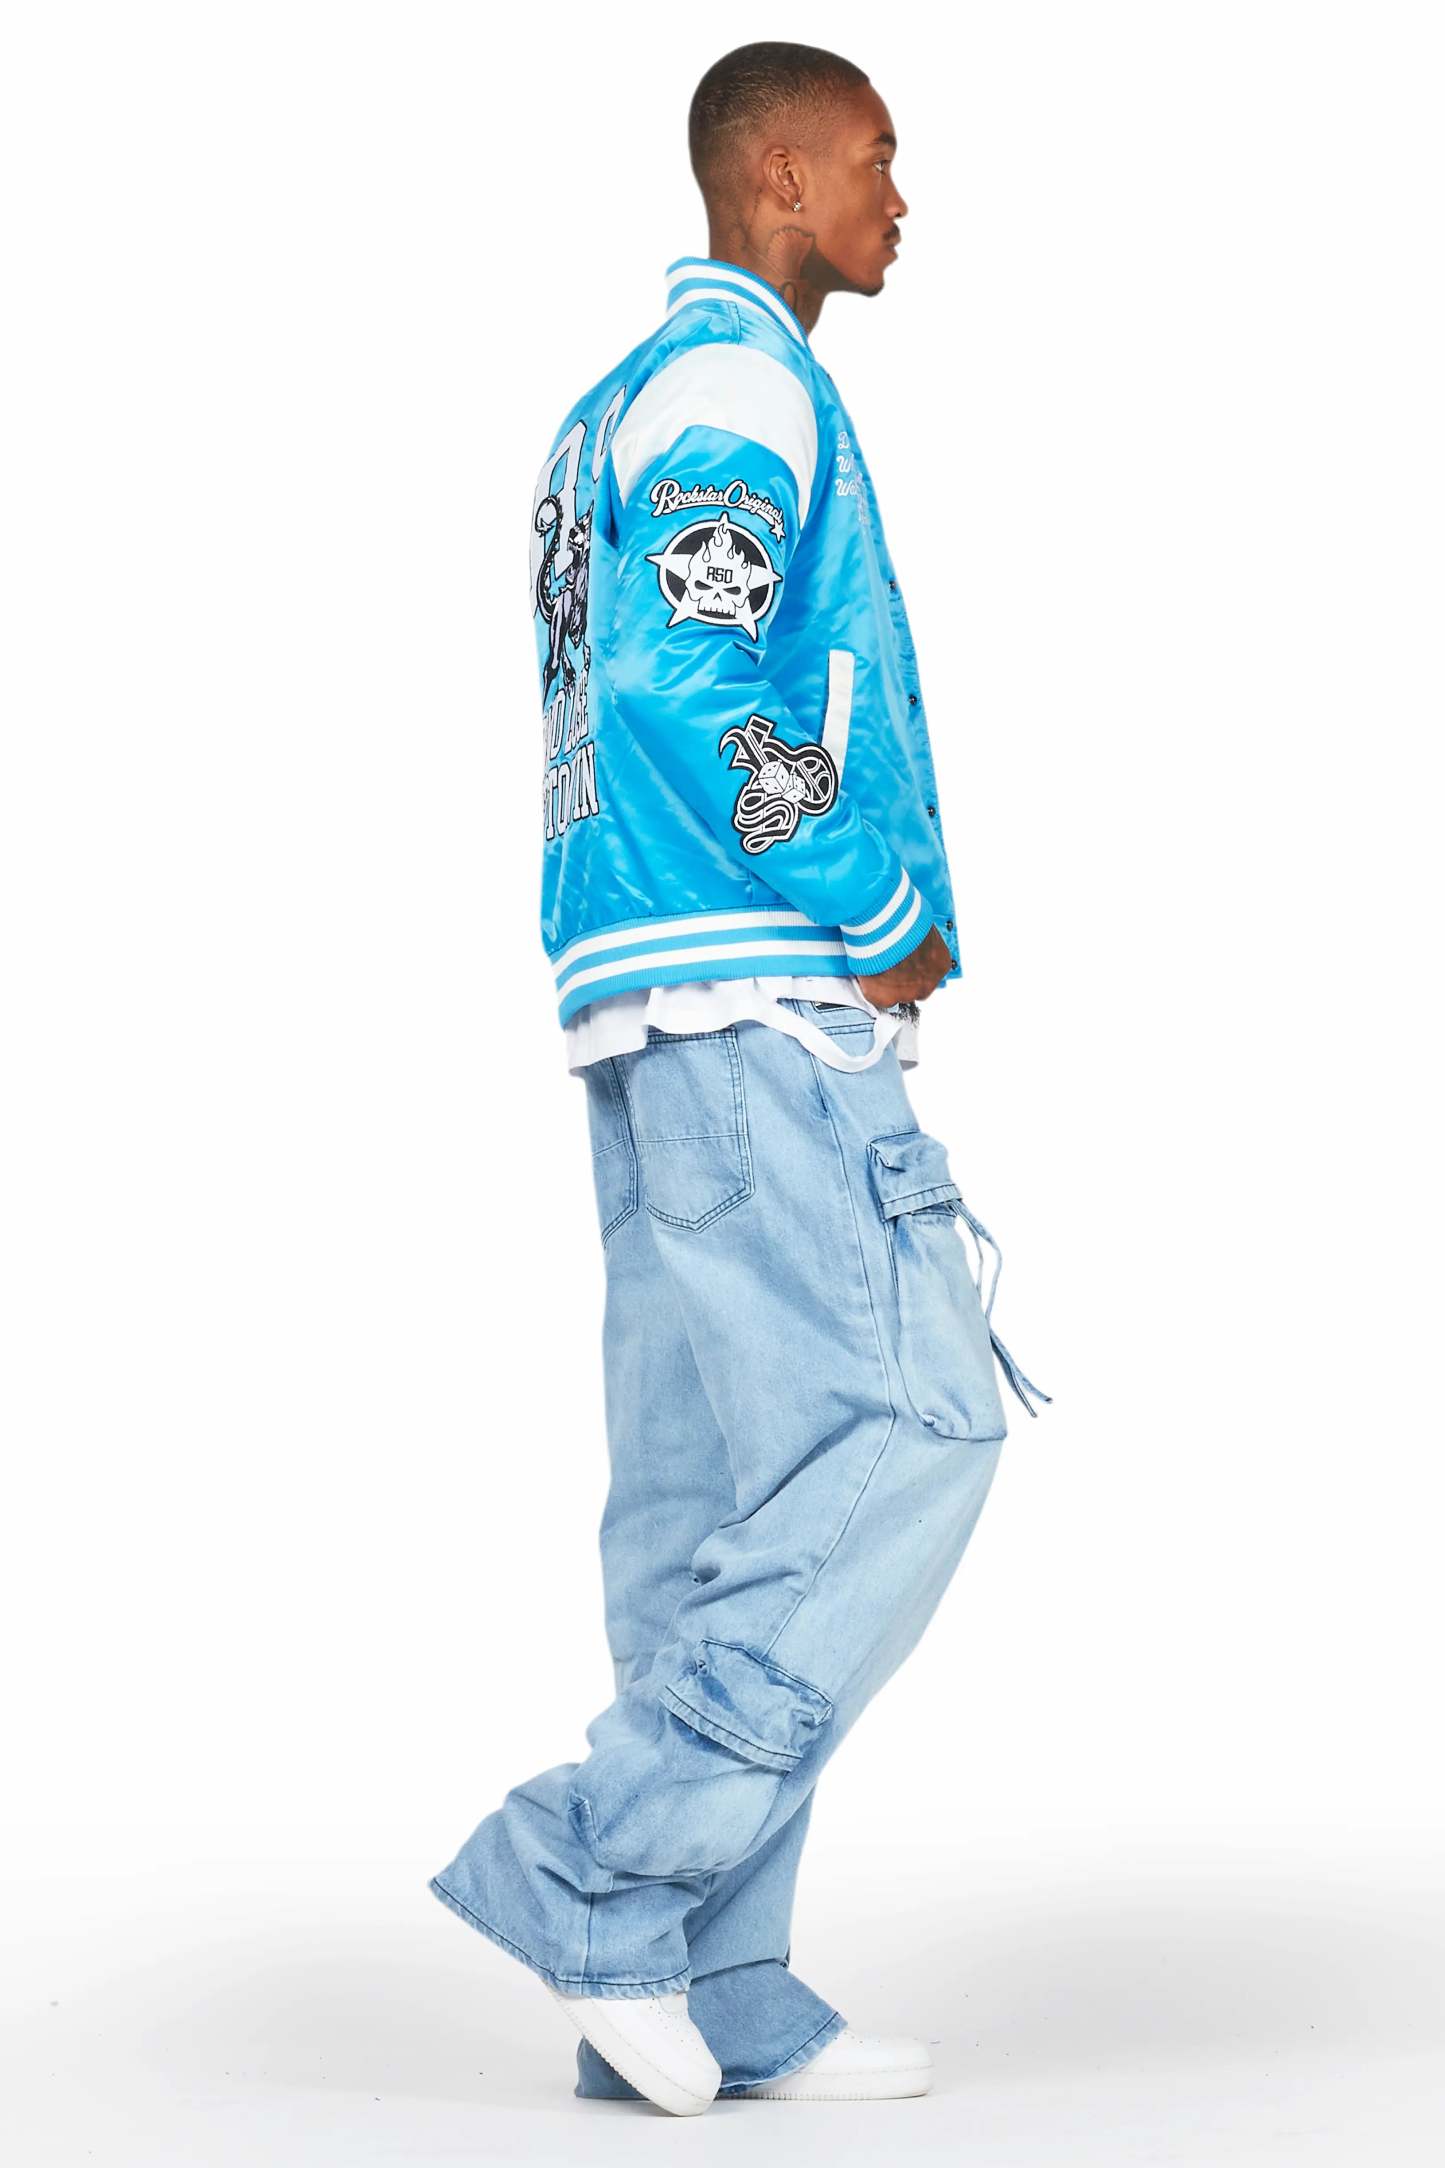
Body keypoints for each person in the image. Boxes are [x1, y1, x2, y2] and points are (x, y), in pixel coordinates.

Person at [427, 39, 1050, 2115]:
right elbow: (683, 675)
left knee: (718, 1513)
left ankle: (703, 1979)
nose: (901, 197)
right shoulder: (736, 385)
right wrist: (877, 896)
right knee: (916, 1423)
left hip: (643, 1011)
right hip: (755, 994)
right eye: (876, 158)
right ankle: (596, 1867)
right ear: (778, 176)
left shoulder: (611, 403)